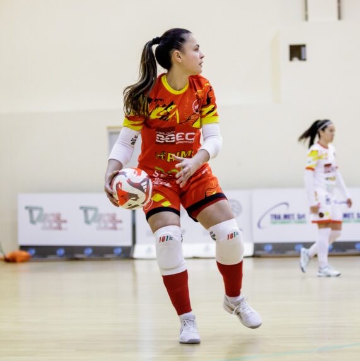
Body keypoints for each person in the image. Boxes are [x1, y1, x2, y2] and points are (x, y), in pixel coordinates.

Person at [104, 28, 261, 344]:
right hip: (156, 178)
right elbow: (126, 141)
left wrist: (196, 160)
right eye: (196, 48)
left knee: (230, 234)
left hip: (194, 171)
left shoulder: (203, 88)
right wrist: (110, 172)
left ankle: (234, 299)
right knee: (168, 238)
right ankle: (187, 320)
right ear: (178, 56)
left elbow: (214, 138)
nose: (202, 55)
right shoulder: (144, 94)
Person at [298, 120, 352, 277]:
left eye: (334, 131)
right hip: (319, 195)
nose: (333, 134)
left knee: (336, 231)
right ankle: (323, 267)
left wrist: (346, 194)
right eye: (330, 131)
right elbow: (307, 176)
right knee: (325, 230)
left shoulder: (332, 150)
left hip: (331, 195)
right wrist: (312, 201)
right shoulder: (315, 151)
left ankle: (308, 253)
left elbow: (336, 173)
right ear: (321, 132)